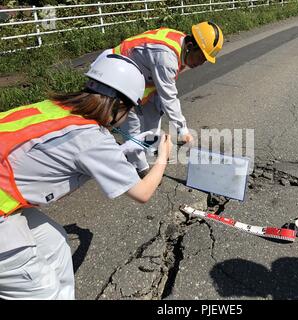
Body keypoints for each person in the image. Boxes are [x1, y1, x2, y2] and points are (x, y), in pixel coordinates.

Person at [0, 53, 173, 300]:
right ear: (119, 105)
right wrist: (163, 156)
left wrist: (121, 150)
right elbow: (142, 193)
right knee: (41, 290)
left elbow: (76, 151)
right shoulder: (92, 139)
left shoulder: (58, 107)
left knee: (56, 244)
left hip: (7, 199)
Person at [92, 21, 224, 177]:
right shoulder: (166, 56)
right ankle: (138, 166)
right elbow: (169, 96)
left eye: (205, 60)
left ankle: (151, 146)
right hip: (114, 74)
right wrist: (183, 130)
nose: (201, 63)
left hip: (136, 74)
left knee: (156, 108)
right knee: (131, 120)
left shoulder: (180, 45)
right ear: (190, 46)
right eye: (201, 57)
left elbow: (163, 90)